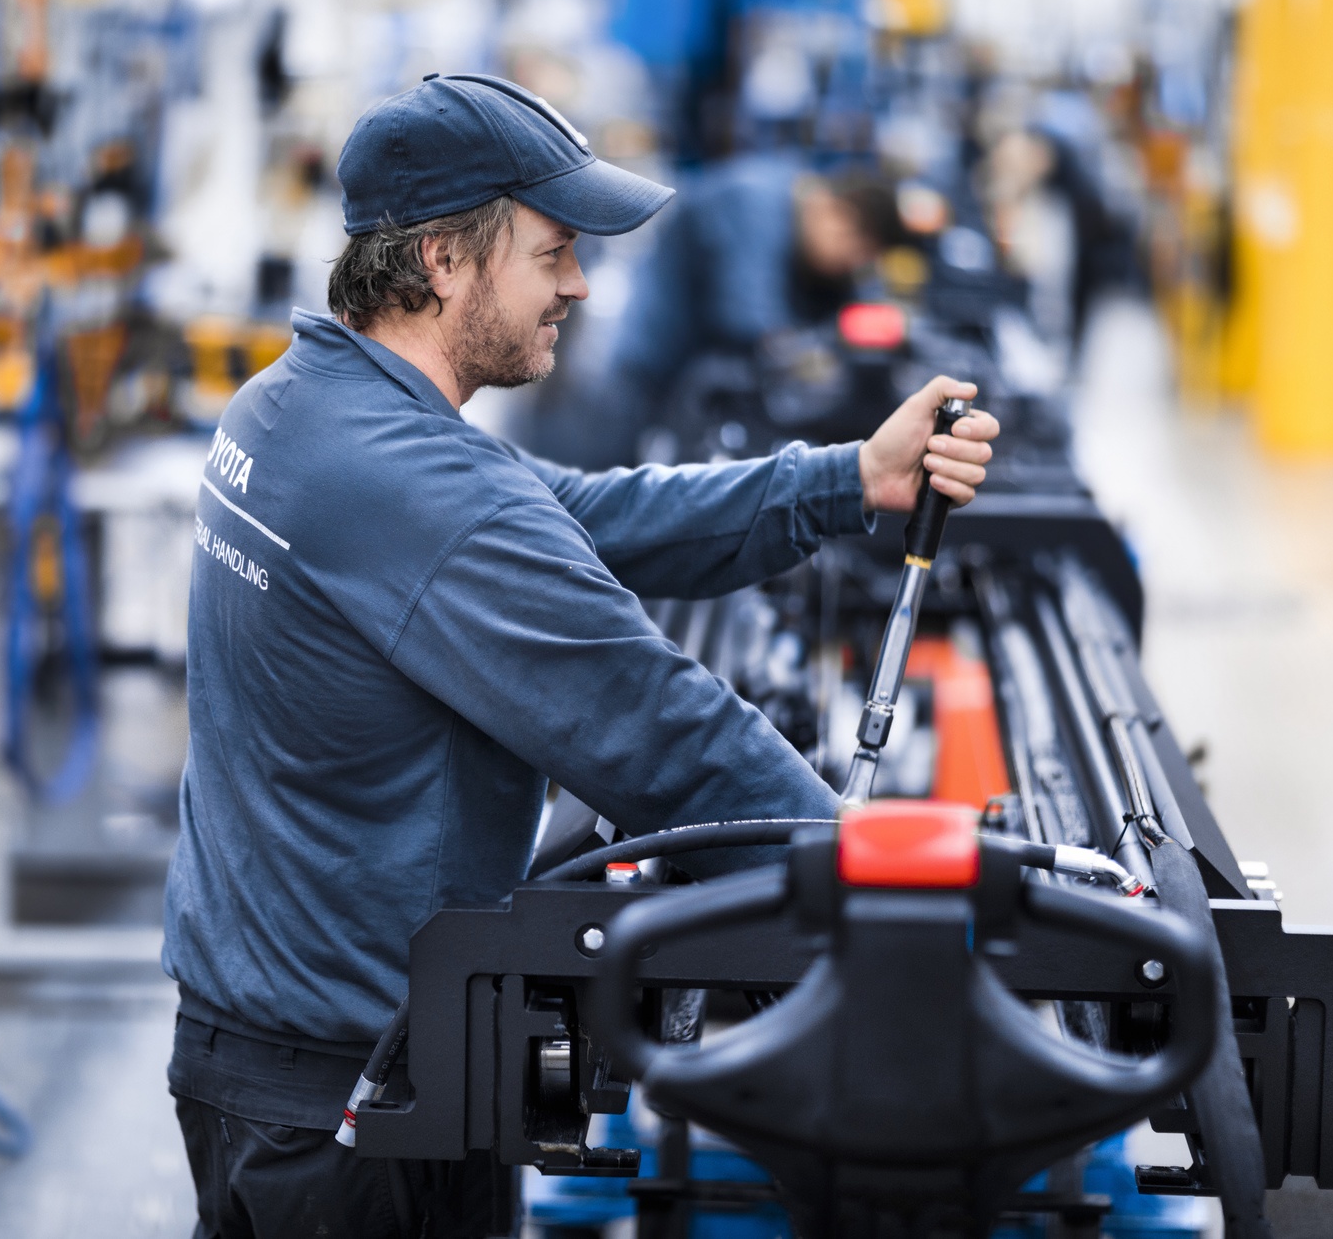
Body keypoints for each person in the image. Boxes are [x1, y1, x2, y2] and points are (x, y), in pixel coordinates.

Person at [160, 74, 999, 1239]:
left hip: (259, 1047)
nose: (580, 284)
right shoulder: (411, 486)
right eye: (552, 251)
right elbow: (662, 730)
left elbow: (582, 514)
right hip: (356, 1097)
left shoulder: (294, 405)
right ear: (446, 260)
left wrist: (847, 480)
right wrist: (901, 900)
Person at [608, 156, 904, 425]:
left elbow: (857, 305)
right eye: (855, 252)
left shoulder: (802, 213)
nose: (851, 266)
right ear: (834, 212)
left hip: (689, 376)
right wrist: (815, 354)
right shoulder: (753, 202)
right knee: (613, 469)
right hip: (641, 360)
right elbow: (747, 319)